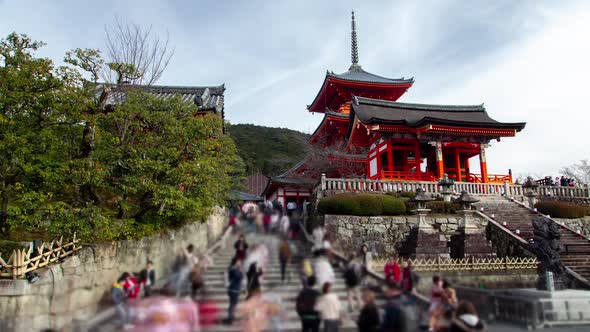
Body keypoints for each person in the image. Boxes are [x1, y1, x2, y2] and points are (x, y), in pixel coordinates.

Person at [226, 257, 243, 324]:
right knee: (232, 304)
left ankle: (231, 317)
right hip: (233, 289)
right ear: (236, 262)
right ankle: (230, 319)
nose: (240, 263)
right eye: (239, 261)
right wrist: (240, 271)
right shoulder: (233, 269)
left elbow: (240, 277)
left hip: (235, 289)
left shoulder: (235, 269)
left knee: (233, 304)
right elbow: (238, 277)